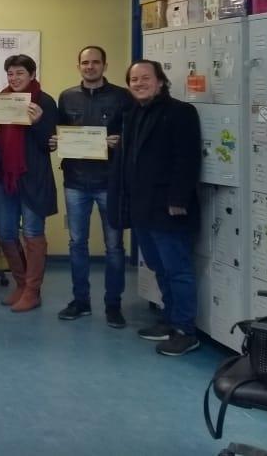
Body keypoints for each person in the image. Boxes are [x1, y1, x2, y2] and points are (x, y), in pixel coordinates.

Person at [109, 60, 202, 357]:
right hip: (141, 207)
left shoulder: (181, 112)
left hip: (168, 207)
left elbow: (187, 159)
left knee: (178, 270)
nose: (139, 83)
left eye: (145, 78)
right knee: (159, 268)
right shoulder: (132, 114)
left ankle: (186, 331)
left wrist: (178, 200)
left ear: (161, 81)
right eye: (133, 79)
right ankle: (169, 319)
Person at [53, 46, 133, 328]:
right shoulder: (67, 96)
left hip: (109, 181)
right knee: (77, 244)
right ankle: (81, 301)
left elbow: (132, 133)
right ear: (78, 66)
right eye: (85, 62)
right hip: (75, 181)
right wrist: (55, 141)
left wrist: (119, 141)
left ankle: (113, 305)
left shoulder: (122, 97)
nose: (90, 67)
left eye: (95, 62)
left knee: (114, 246)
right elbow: (60, 132)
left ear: (105, 65)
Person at [0, 54, 58, 313]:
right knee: (6, 232)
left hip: (33, 177)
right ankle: (20, 284)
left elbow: (48, 144)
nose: (14, 78)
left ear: (32, 75)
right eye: (10, 73)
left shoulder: (45, 101)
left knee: (32, 233)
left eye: (19, 73)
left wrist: (38, 122)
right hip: (4, 177)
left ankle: (33, 291)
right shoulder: (1, 99)